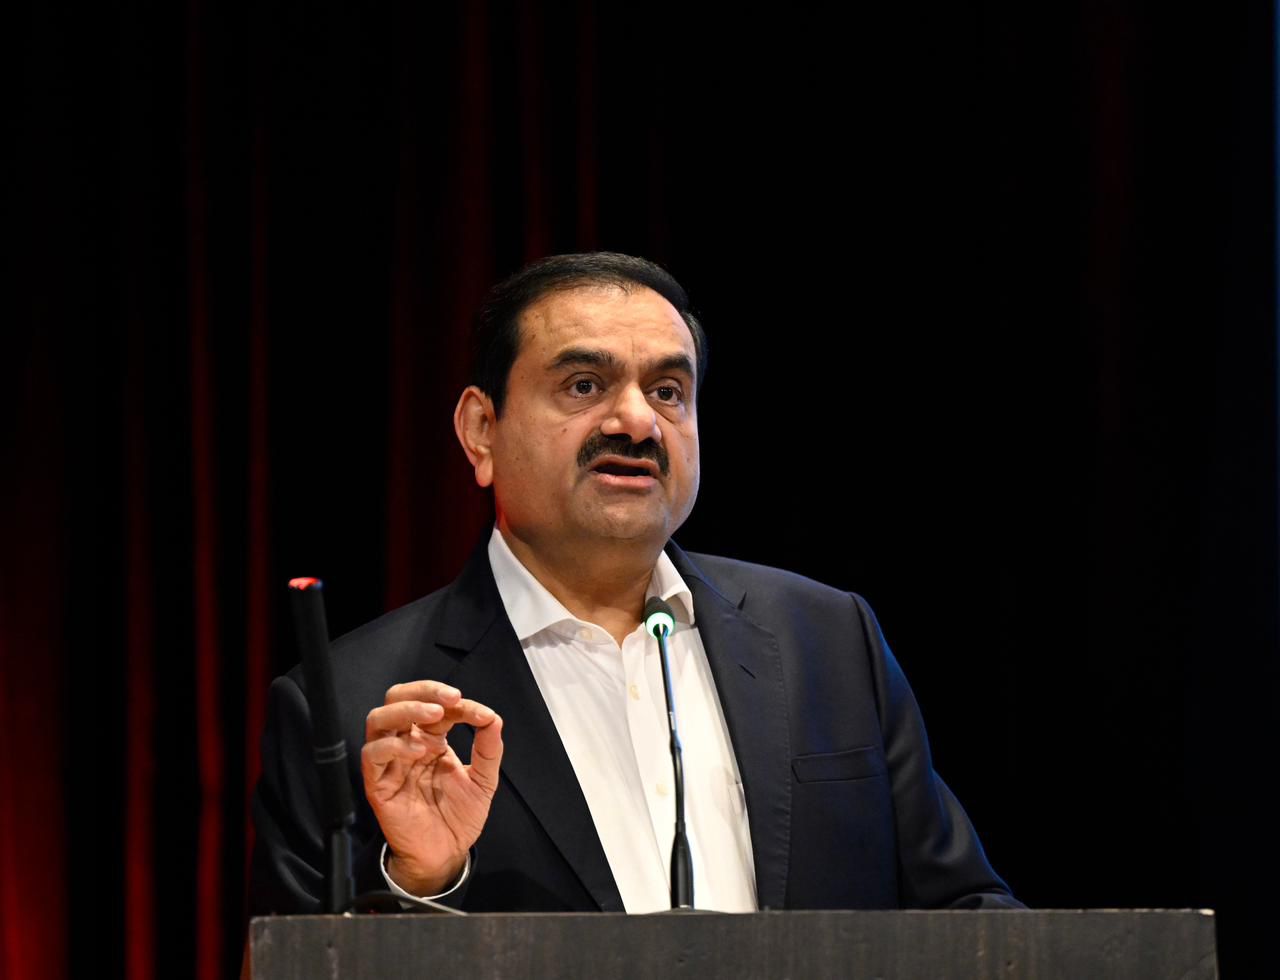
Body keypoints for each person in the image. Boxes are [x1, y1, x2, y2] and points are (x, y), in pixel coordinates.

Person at [250, 252, 1021, 914]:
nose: (637, 422)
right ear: (481, 431)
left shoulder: (826, 641)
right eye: (584, 384)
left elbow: (967, 917)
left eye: (668, 391)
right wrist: (423, 880)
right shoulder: (350, 706)